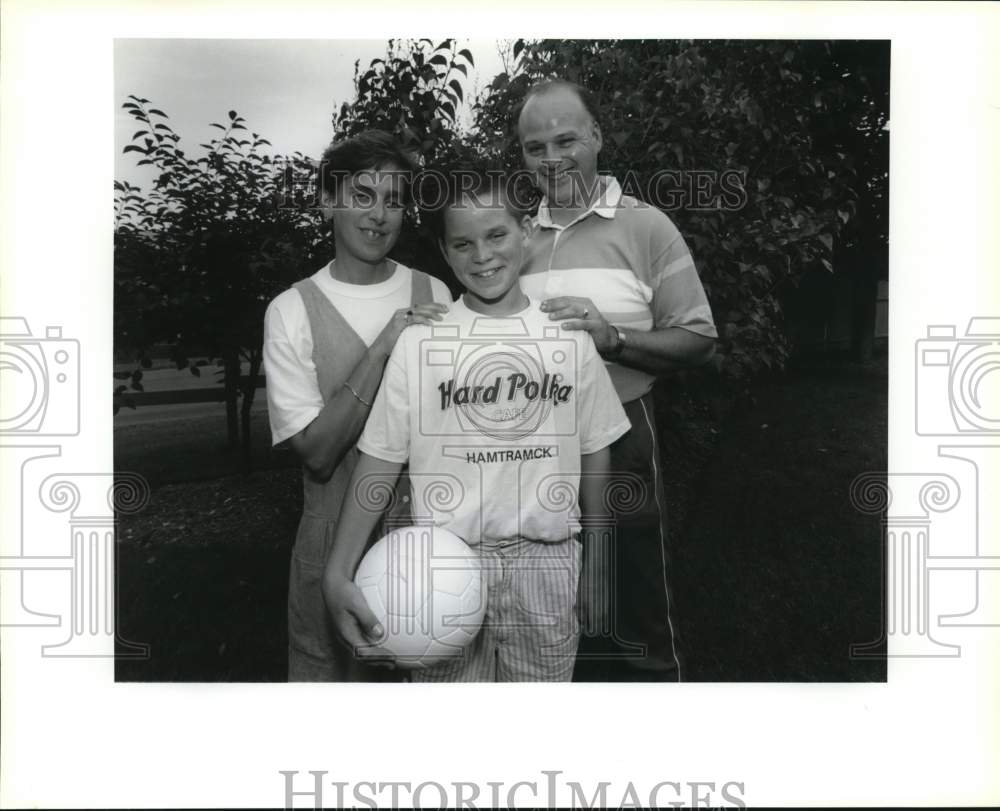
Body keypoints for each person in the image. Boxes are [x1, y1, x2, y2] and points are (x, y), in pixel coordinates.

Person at [321, 172, 631, 681]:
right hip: (440, 570)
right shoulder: (422, 342)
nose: (481, 255)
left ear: (526, 232)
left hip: (547, 563)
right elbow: (379, 459)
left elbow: (596, 448)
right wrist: (337, 571)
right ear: (444, 251)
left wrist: (600, 559)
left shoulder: (567, 335)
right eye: (462, 244)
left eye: (496, 235)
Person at [516, 79, 718, 682]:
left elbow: (701, 341)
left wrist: (616, 340)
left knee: (634, 599)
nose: (552, 160)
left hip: (624, 435)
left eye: (566, 140)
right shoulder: (515, 236)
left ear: (598, 137)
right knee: (548, 601)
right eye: (534, 147)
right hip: (527, 446)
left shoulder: (647, 228)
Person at [262, 130, 451, 681]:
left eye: (394, 200)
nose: (379, 215)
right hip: (330, 544)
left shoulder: (436, 294)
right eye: (362, 195)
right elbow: (317, 454)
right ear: (328, 202)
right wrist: (384, 347)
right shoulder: (291, 311)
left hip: (425, 539)